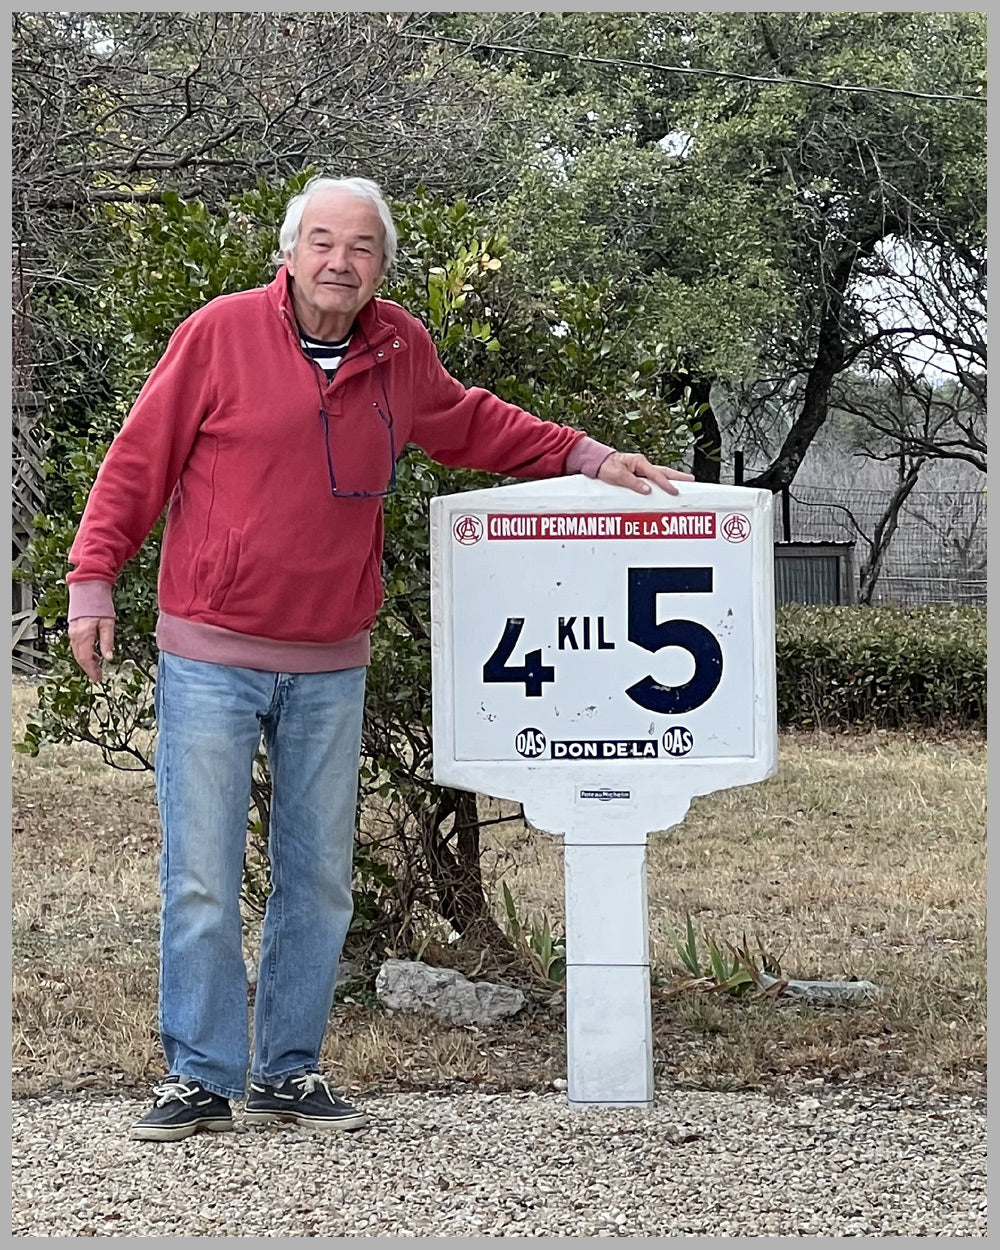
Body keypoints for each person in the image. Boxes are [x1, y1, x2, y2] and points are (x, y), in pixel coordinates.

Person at [66, 174, 694, 1142]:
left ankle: (286, 1071)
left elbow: (470, 421)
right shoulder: (218, 333)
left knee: (316, 878)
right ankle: (197, 1076)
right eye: (321, 241)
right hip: (211, 652)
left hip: (330, 660)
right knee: (199, 875)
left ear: (381, 266)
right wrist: (91, 575)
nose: (338, 262)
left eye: (359, 247)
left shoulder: (400, 348)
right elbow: (138, 459)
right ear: (288, 251)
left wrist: (585, 456)